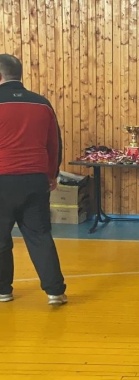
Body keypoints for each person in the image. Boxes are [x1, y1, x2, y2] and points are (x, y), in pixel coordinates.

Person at [0, 54, 67, 306]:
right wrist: (51, 174)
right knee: (40, 235)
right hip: (35, 180)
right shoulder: (42, 104)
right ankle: (55, 292)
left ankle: (3, 290)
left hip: (2, 179)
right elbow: (54, 143)